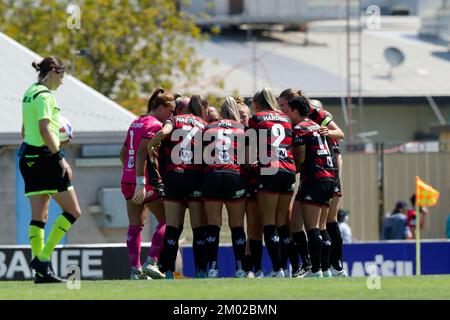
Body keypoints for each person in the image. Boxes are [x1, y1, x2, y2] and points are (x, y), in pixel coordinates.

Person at [20, 56, 81, 283]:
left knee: (40, 216)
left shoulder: (29, 92)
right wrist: (60, 158)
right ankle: (43, 259)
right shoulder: (45, 95)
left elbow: (25, 129)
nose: (62, 82)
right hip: (46, 157)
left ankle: (40, 273)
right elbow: (45, 129)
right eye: (62, 76)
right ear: (53, 71)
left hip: (28, 156)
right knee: (73, 211)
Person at [146, 94, 208, 279]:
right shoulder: (201, 123)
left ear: (179, 109)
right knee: (198, 229)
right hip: (195, 177)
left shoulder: (174, 120)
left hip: (174, 176)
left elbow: (164, 133)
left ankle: (169, 273)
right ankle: (201, 272)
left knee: (172, 228)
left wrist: (150, 145)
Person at [120, 88, 175, 280]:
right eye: (170, 111)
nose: (171, 116)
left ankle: (135, 271)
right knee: (169, 219)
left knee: (135, 226)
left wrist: (130, 174)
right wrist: (140, 182)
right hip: (143, 182)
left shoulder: (136, 122)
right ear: (160, 107)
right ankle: (151, 261)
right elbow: (143, 152)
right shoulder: (153, 125)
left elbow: (123, 153)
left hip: (127, 180)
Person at [286, 95, 344, 278]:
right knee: (321, 227)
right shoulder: (317, 127)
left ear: (295, 110)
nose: (286, 113)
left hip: (315, 178)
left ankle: (316, 269)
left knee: (313, 228)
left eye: (287, 110)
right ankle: (326, 269)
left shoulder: (302, 128)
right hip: (328, 178)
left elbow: (301, 160)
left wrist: (286, 169)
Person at [248, 87, 297, 278]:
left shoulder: (257, 118)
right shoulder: (285, 118)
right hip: (288, 168)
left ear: (257, 104)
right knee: (282, 224)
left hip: (269, 169)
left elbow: (250, 148)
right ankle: (286, 268)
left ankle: (277, 269)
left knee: (268, 223)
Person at [202, 97, 248, 278]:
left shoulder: (209, 127)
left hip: (212, 175)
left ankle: (212, 268)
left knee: (213, 224)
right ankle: (240, 268)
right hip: (233, 176)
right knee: (236, 225)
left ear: (221, 112)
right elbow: (246, 160)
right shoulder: (242, 128)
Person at [238, 98, 264, 278]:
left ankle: (256, 268)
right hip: (237, 185)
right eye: (237, 115)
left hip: (255, 184)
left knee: (256, 228)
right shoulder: (231, 134)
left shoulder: (255, 133)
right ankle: (246, 268)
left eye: (244, 116)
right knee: (241, 228)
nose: (241, 119)